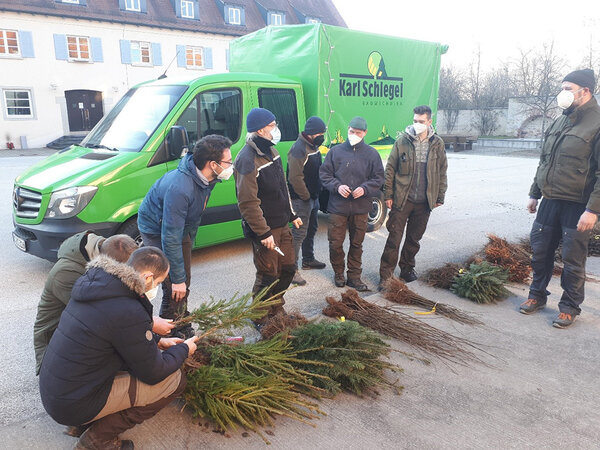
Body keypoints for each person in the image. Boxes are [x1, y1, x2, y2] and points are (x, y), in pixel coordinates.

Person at [39, 246, 198, 449]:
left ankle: (81, 424)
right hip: (73, 403)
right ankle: (97, 440)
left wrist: (158, 340)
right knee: (174, 381)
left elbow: (113, 334)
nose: (156, 287)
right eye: (158, 282)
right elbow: (153, 373)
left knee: (128, 365)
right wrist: (183, 350)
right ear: (147, 277)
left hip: (56, 391)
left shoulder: (97, 286)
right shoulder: (128, 309)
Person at [521, 68, 600, 328]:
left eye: (568, 89)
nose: (563, 94)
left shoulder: (597, 123)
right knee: (540, 252)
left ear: (585, 91)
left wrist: (593, 210)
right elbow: (545, 161)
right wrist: (534, 193)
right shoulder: (560, 121)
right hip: (550, 200)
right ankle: (536, 296)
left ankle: (569, 306)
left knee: (572, 259)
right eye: (563, 88)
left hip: (578, 204)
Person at [138, 134, 233, 338]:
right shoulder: (181, 188)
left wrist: (187, 245)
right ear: (213, 164)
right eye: (228, 162)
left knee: (183, 281)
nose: (231, 166)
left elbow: (193, 217)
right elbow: (170, 238)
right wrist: (178, 279)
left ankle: (180, 320)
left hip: (177, 227)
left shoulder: (207, 178)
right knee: (174, 284)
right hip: (156, 228)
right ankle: (168, 332)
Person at [33, 232, 142, 375]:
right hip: (54, 344)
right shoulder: (66, 273)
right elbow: (99, 315)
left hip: (75, 328)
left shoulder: (104, 246)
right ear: (111, 265)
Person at [234, 107, 302, 323]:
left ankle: (275, 306)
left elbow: (282, 187)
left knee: (288, 268)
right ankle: (260, 316)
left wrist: (292, 215)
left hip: (282, 225)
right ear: (261, 130)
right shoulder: (247, 159)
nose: (276, 130)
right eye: (273, 126)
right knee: (268, 274)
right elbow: (247, 202)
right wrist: (263, 233)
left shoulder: (272, 151)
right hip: (266, 230)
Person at [378, 105, 448, 289]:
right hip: (402, 199)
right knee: (394, 238)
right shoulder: (402, 141)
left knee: (413, 239)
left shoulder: (437, 143)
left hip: (424, 201)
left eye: (421, 121)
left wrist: (440, 195)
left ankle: (407, 269)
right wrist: (388, 194)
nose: (417, 124)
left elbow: (442, 171)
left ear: (429, 122)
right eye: (415, 121)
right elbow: (390, 169)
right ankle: (386, 276)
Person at [320, 116, 384, 291]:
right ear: (347, 129)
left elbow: (379, 178)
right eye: (351, 131)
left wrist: (365, 188)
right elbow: (325, 175)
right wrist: (337, 186)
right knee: (335, 242)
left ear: (365, 133)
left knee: (357, 244)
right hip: (337, 207)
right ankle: (339, 273)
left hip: (360, 207)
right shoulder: (335, 152)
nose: (353, 135)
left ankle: (354, 276)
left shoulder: (372, 154)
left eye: (357, 132)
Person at [287, 116, 328, 286]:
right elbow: (295, 178)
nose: (322, 136)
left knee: (311, 229)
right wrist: (305, 196)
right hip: (301, 200)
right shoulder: (299, 150)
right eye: (320, 133)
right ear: (310, 134)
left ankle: (308, 259)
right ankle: (291, 270)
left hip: (313, 197)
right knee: (298, 235)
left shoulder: (314, 146)